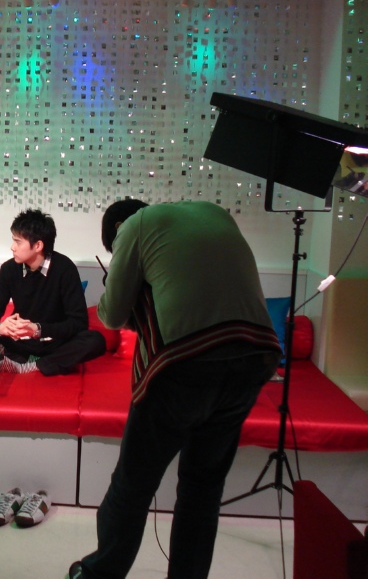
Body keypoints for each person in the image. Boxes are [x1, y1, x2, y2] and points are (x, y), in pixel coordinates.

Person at [69, 200, 282, 579]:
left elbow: (112, 315)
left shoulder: (133, 226)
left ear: (117, 229)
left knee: (133, 486)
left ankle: (98, 574)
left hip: (186, 363)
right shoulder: (216, 213)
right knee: (203, 490)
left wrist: (116, 283)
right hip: (256, 357)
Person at [0, 208, 106, 376]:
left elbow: (78, 323)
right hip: (18, 342)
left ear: (38, 245)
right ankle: (17, 362)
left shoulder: (64, 268)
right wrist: (0, 327)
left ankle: (34, 365)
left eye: (18, 242)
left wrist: (37, 329)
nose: (12, 247)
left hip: (54, 343)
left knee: (95, 341)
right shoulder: (9, 269)